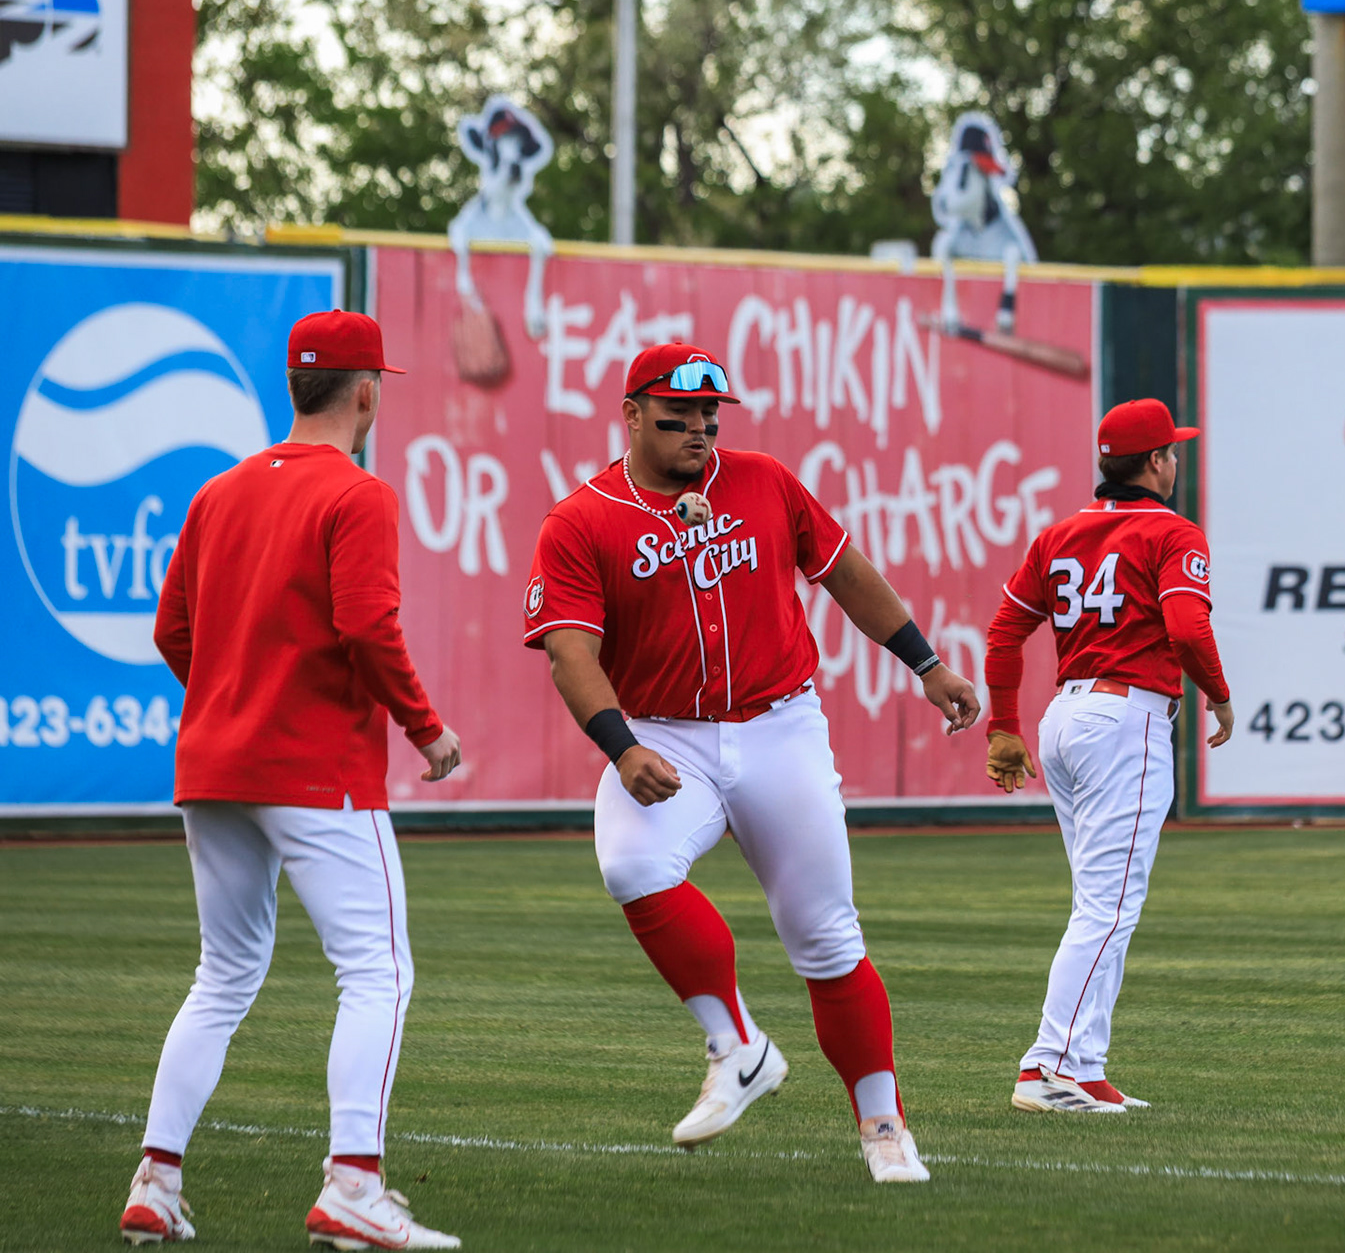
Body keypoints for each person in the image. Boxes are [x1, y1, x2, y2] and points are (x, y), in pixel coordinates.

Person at [523, 342, 980, 1183]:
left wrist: (928, 665)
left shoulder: (763, 480)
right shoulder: (582, 517)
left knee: (825, 936)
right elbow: (568, 651)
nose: (698, 428)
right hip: (665, 733)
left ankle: (884, 1127)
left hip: (779, 727)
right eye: (675, 416)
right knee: (632, 865)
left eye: (709, 414)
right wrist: (623, 748)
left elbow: (846, 574)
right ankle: (737, 1047)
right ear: (629, 416)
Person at [121, 311, 462, 1249]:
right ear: (365, 392)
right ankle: (354, 1184)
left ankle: (156, 1180)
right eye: (378, 382)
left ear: (293, 387)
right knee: (377, 972)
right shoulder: (359, 494)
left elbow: (171, 634)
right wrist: (426, 730)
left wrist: (234, 701)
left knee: (222, 975)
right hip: (314, 768)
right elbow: (366, 627)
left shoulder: (220, 492)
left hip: (214, 765)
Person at [982, 397, 1233, 1113]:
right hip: (1127, 720)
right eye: (1171, 451)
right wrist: (1217, 694)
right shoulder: (1173, 533)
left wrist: (1005, 726)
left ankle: (1082, 1065)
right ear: (1154, 463)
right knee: (1108, 908)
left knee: (1103, 903)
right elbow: (1187, 627)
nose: (1175, 460)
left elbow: (1005, 633)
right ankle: (1049, 1066)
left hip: (1067, 718)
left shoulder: (1059, 534)